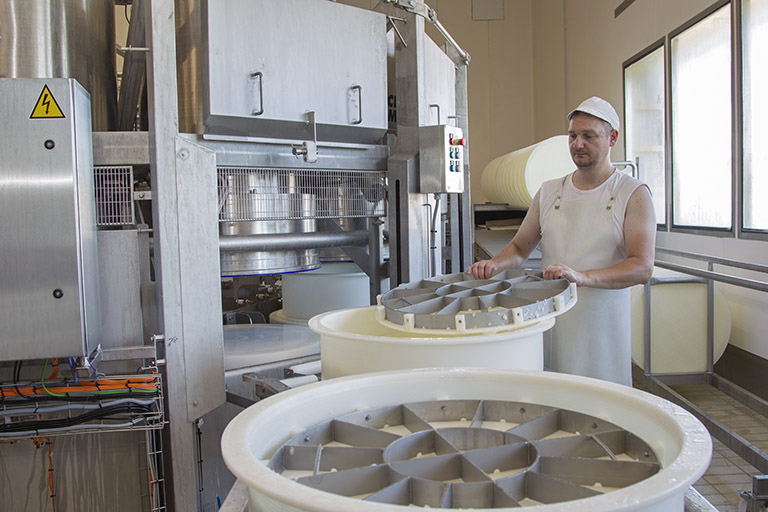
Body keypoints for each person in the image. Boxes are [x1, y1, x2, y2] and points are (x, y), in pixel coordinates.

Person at [467, 96, 656, 386]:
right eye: (572, 135)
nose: (577, 144)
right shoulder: (550, 191)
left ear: (612, 138)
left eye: (588, 136)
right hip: (554, 320)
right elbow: (519, 249)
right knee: (556, 395)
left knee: (601, 401)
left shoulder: (632, 193)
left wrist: (581, 277)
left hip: (602, 329)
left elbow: (641, 268)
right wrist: (493, 264)